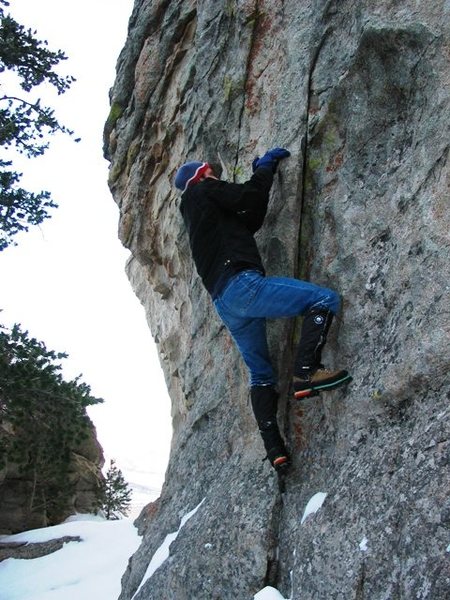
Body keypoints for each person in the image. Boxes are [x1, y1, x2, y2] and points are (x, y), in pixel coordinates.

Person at [175, 148, 351, 472]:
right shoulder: (203, 190)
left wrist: (264, 178)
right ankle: (307, 373)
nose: (217, 175)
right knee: (324, 300)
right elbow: (245, 195)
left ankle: (275, 449)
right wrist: (264, 168)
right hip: (242, 285)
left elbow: (251, 213)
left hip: (225, 303)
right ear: (201, 176)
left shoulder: (200, 216)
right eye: (212, 172)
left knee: (260, 375)